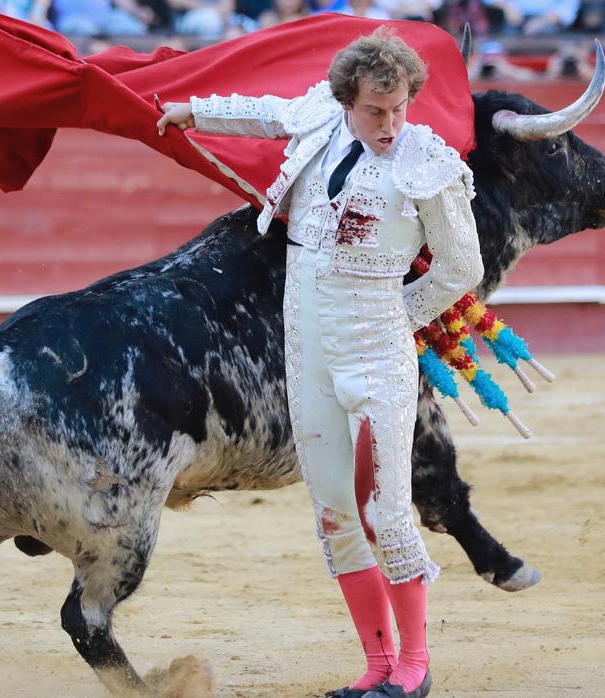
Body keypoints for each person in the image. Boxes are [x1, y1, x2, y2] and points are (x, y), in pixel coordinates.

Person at [157, 27, 482, 698]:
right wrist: (194, 111)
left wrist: (402, 314)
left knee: (385, 512)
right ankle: (375, 666)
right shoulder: (317, 119)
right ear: (345, 101)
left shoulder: (427, 163)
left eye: (398, 109)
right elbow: (265, 110)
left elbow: (462, 266)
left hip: (375, 354)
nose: (390, 125)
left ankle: (414, 668)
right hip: (306, 355)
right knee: (334, 510)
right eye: (374, 111)